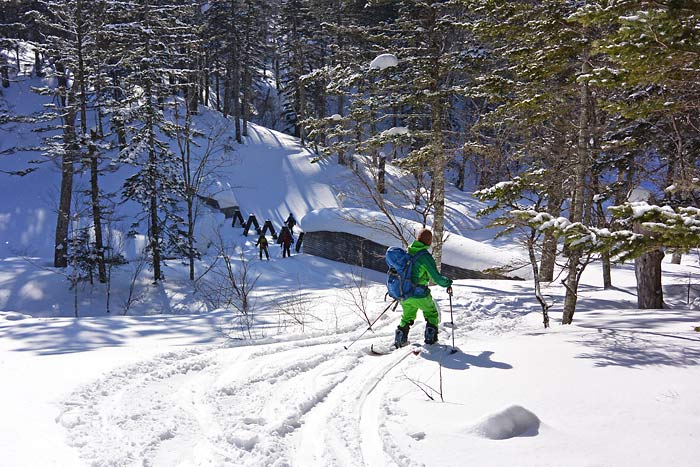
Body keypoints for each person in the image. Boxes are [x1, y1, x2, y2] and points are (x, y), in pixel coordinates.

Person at [395, 228, 453, 348]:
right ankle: (430, 342)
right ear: (429, 241)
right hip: (419, 293)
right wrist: (447, 283)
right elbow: (437, 278)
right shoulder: (425, 257)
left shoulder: (408, 252)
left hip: (404, 294)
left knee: (406, 317)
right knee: (431, 313)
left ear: (417, 239)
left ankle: (400, 341)